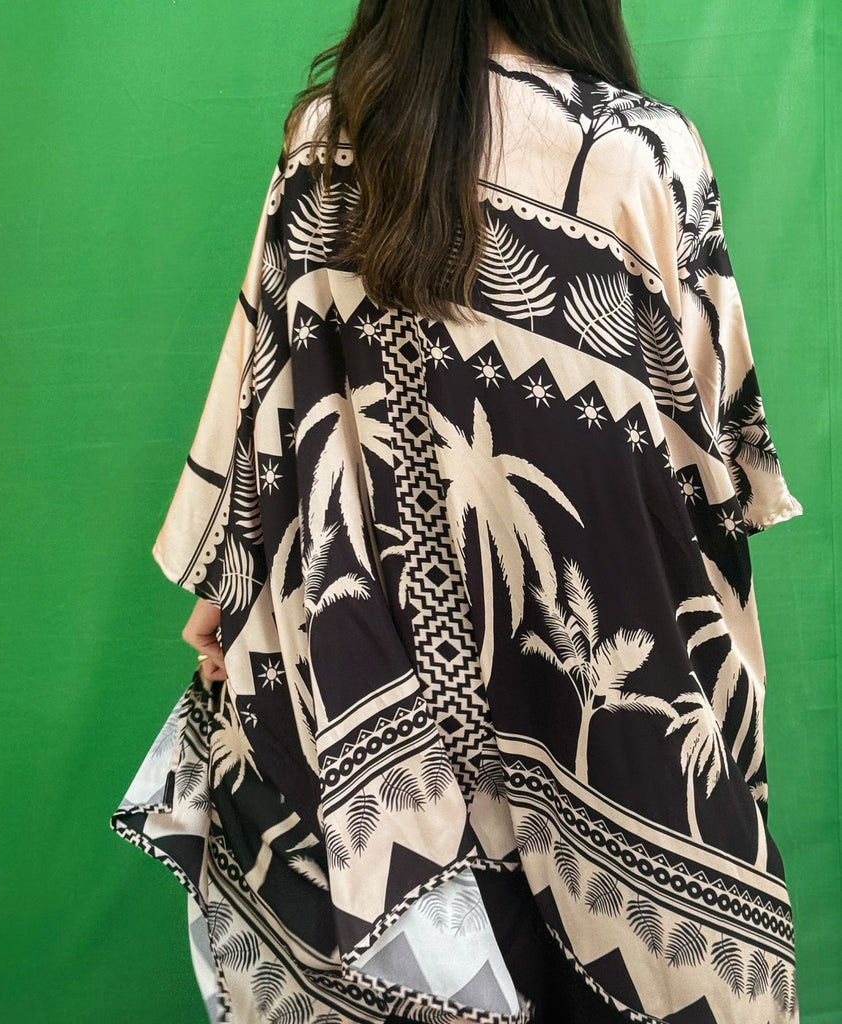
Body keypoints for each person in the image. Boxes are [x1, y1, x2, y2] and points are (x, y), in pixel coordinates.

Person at [111, 3, 805, 1023]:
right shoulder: (642, 152)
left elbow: (266, 394)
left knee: (417, 968)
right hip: (592, 671)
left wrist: (229, 586)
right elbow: (716, 466)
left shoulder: (326, 143)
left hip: (371, 664)